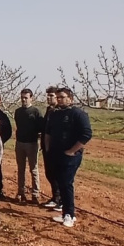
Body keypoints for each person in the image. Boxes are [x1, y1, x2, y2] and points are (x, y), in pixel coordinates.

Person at [45, 87, 93, 228]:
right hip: (55, 154)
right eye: (58, 97)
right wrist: (48, 149)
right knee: (60, 183)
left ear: (70, 99)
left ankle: (70, 215)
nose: (59, 99)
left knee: (66, 183)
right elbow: (48, 132)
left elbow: (86, 134)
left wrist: (72, 150)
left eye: (62, 97)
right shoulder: (55, 114)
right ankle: (65, 211)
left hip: (70, 156)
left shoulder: (78, 114)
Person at [14, 88, 44, 203]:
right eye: (22, 98)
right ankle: (21, 192)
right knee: (20, 169)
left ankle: (35, 193)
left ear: (31, 98)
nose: (23, 100)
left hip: (32, 143)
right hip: (20, 143)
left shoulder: (36, 111)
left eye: (26, 98)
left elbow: (41, 128)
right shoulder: (18, 112)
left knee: (34, 169)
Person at [42, 86, 62, 209]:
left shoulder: (59, 111)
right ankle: (55, 197)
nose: (49, 98)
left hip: (56, 148)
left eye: (52, 96)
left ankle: (61, 199)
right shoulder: (49, 109)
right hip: (46, 146)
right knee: (49, 173)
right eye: (48, 96)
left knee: (57, 174)